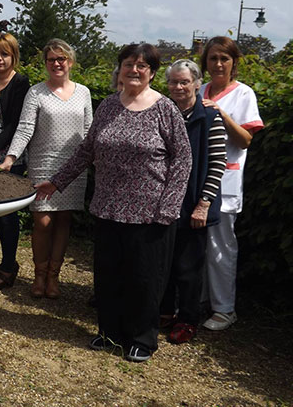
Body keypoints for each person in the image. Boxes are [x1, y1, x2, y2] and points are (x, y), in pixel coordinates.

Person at [37, 43, 192, 362]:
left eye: (142, 66)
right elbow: (86, 150)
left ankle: (142, 339)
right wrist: (57, 182)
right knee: (109, 275)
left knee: (144, 278)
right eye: (128, 64)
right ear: (119, 68)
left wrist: (169, 206)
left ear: (151, 72)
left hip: (150, 212)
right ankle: (109, 332)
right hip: (108, 207)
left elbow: (182, 159)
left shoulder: (165, 109)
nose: (134, 70)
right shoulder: (108, 106)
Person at [0, 39, 92, 298]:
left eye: (61, 58)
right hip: (43, 162)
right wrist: (11, 157)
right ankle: (39, 274)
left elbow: (89, 131)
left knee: (63, 219)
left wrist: (94, 159)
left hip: (74, 165)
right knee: (42, 220)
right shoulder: (36, 92)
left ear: (70, 62)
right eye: (51, 59)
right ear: (46, 64)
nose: (56, 63)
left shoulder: (83, 93)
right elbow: (26, 127)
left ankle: (53, 277)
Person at [199, 36, 264, 331]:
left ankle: (225, 309)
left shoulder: (243, 95)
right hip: (200, 178)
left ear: (234, 63)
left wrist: (221, 114)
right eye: (213, 58)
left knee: (221, 245)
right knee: (197, 244)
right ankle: (199, 300)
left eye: (224, 58)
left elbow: (246, 139)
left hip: (226, 179)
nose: (218, 64)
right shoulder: (200, 90)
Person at [160, 60, 227, 344]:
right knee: (162, 263)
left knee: (188, 267)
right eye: (173, 82)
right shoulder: (161, 113)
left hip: (194, 204)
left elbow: (217, 163)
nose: (178, 87)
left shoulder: (209, 117)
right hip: (163, 203)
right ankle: (162, 312)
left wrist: (204, 203)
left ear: (197, 84)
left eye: (184, 82)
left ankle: (187, 319)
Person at [0, 33, 30, 290]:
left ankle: (9, 268)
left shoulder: (20, 83)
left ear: (14, 56)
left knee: (8, 213)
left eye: (5, 54)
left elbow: (15, 124)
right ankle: (6, 262)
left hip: (10, 156)